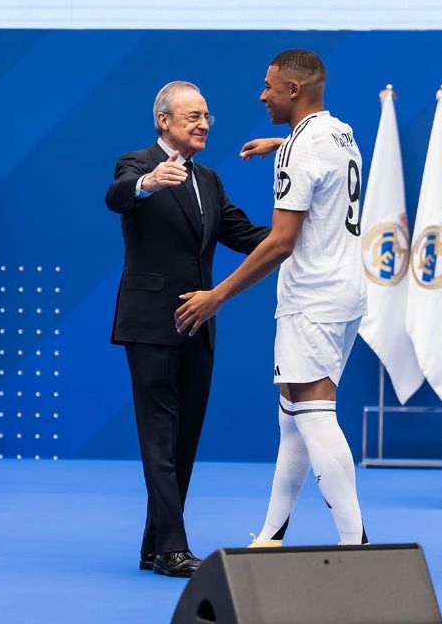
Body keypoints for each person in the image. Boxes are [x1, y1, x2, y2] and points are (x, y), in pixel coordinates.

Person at [175, 49, 369, 546]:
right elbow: (315, 155)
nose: (262, 95)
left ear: (293, 90)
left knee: (316, 416)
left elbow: (281, 242)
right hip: (347, 292)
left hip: (311, 300)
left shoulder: (301, 149)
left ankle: (358, 546)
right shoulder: (340, 133)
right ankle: (271, 535)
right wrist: (280, 143)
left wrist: (217, 296)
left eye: (269, 86)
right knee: (294, 418)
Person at [105, 81, 268, 577]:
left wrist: (305, 231)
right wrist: (148, 183)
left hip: (199, 324)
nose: (203, 124)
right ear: (164, 121)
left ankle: (154, 546)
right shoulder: (136, 163)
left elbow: (248, 236)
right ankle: (173, 549)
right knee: (159, 435)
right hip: (150, 323)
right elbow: (118, 196)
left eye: (206, 117)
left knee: (184, 439)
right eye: (192, 116)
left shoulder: (210, 181)